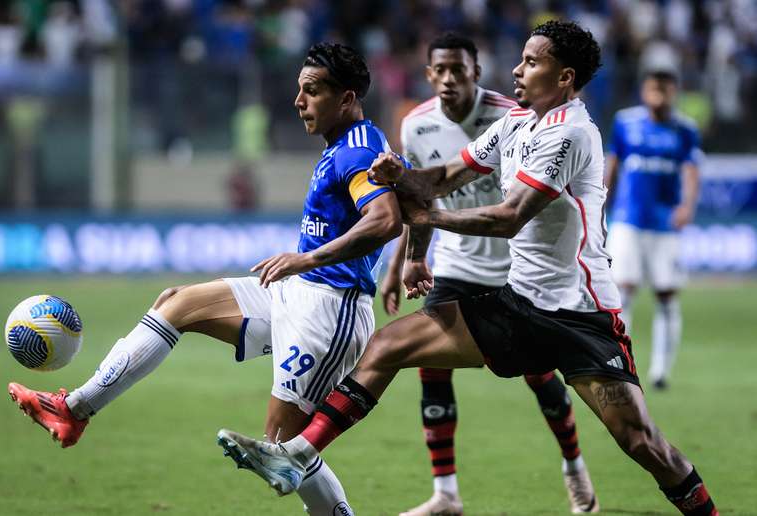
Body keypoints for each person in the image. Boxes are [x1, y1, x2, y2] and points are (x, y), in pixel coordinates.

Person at [219, 21, 718, 516]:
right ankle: (298, 456)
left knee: (642, 444)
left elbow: (509, 217)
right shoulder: (515, 124)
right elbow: (444, 176)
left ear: (564, 77)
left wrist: (426, 215)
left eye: (532, 62)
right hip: (520, 304)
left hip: (581, 316)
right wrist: (403, 177)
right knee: (390, 345)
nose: (518, 69)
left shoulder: (572, 133)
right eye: (522, 58)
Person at [8, 42, 403, 516]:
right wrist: (411, 261)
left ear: (347, 98)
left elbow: (383, 220)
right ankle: (73, 410)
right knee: (177, 303)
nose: (299, 101)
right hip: (295, 293)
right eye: (299, 90)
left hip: (331, 309)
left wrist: (306, 260)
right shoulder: (347, 147)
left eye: (313, 91)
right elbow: (412, 201)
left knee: (284, 448)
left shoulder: (358, 149)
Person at [381, 32, 597, 515]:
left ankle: (573, 463)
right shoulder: (416, 125)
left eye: (460, 69)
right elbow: (420, 196)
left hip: (512, 265)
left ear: (476, 72)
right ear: (429, 74)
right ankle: (445, 494)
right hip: (455, 261)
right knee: (428, 364)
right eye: (441, 69)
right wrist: (409, 260)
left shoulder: (512, 114)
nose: (450, 78)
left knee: (540, 374)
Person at [604, 66, 701, 390]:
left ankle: (661, 372)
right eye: (653, 89)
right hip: (628, 221)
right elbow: (613, 165)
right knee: (623, 291)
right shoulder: (625, 123)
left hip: (664, 225)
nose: (658, 95)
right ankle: (623, 364)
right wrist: (600, 201)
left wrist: (687, 206)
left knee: (667, 295)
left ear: (674, 92)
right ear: (644, 91)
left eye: (665, 89)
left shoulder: (685, 129)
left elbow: (691, 170)